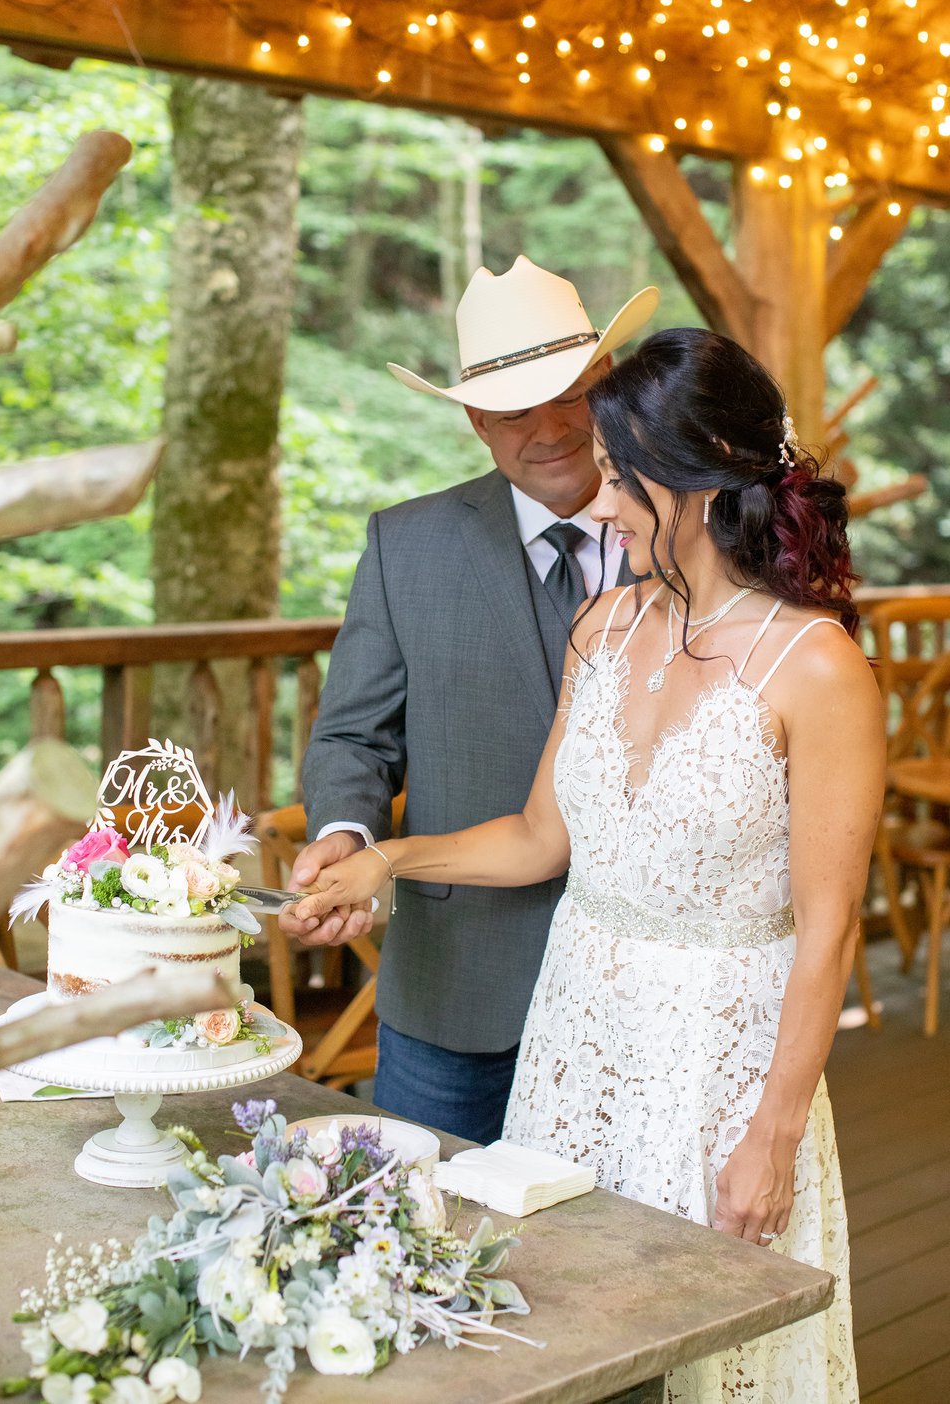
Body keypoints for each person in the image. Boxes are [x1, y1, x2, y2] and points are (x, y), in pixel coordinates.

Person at [291, 327, 885, 1401]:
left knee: (708, 1350)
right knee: (559, 1335)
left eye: (619, 478)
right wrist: (385, 858)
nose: (599, 507)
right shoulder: (604, 628)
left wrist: (772, 1132)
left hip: (714, 1062)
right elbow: (537, 837)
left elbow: (829, 927)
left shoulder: (818, 666)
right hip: (571, 1049)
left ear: (696, 480)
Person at [280, 256, 659, 1144]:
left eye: (568, 393)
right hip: (456, 990)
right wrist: (347, 834)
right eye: (512, 409)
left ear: (605, 383)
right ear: (475, 422)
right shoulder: (404, 545)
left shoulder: (687, 538)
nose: (551, 429)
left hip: (643, 993)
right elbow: (352, 739)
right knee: (428, 1245)